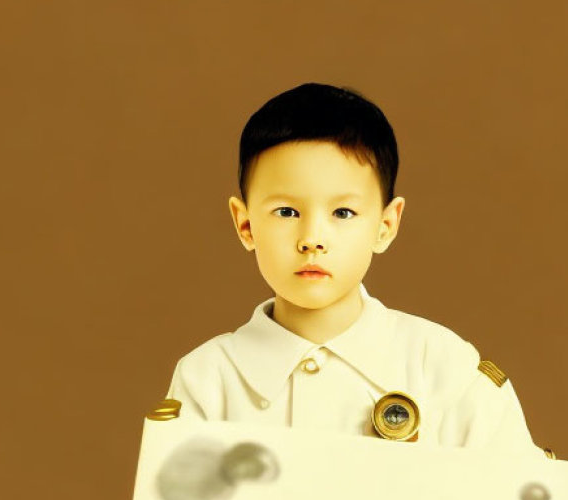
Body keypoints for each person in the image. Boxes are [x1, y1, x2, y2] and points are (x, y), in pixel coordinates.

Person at [164, 82, 544, 456]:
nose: (312, 238)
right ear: (245, 224)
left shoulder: (445, 368)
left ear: (386, 225)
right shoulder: (207, 379)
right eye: (286, 212)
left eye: (342, 213)